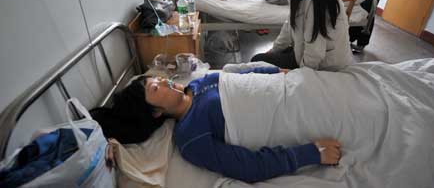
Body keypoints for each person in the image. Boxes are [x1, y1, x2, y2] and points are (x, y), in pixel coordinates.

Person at [97, 70, 342, 183]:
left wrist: (276, 71)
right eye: (155, 88)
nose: (163, 80)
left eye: (157, 78)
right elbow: (248, 166)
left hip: (294, 84)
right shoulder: (190, 137)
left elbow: (245, 75)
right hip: (295, 114)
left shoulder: (200, 81)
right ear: (156, 112)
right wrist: (310, 153)